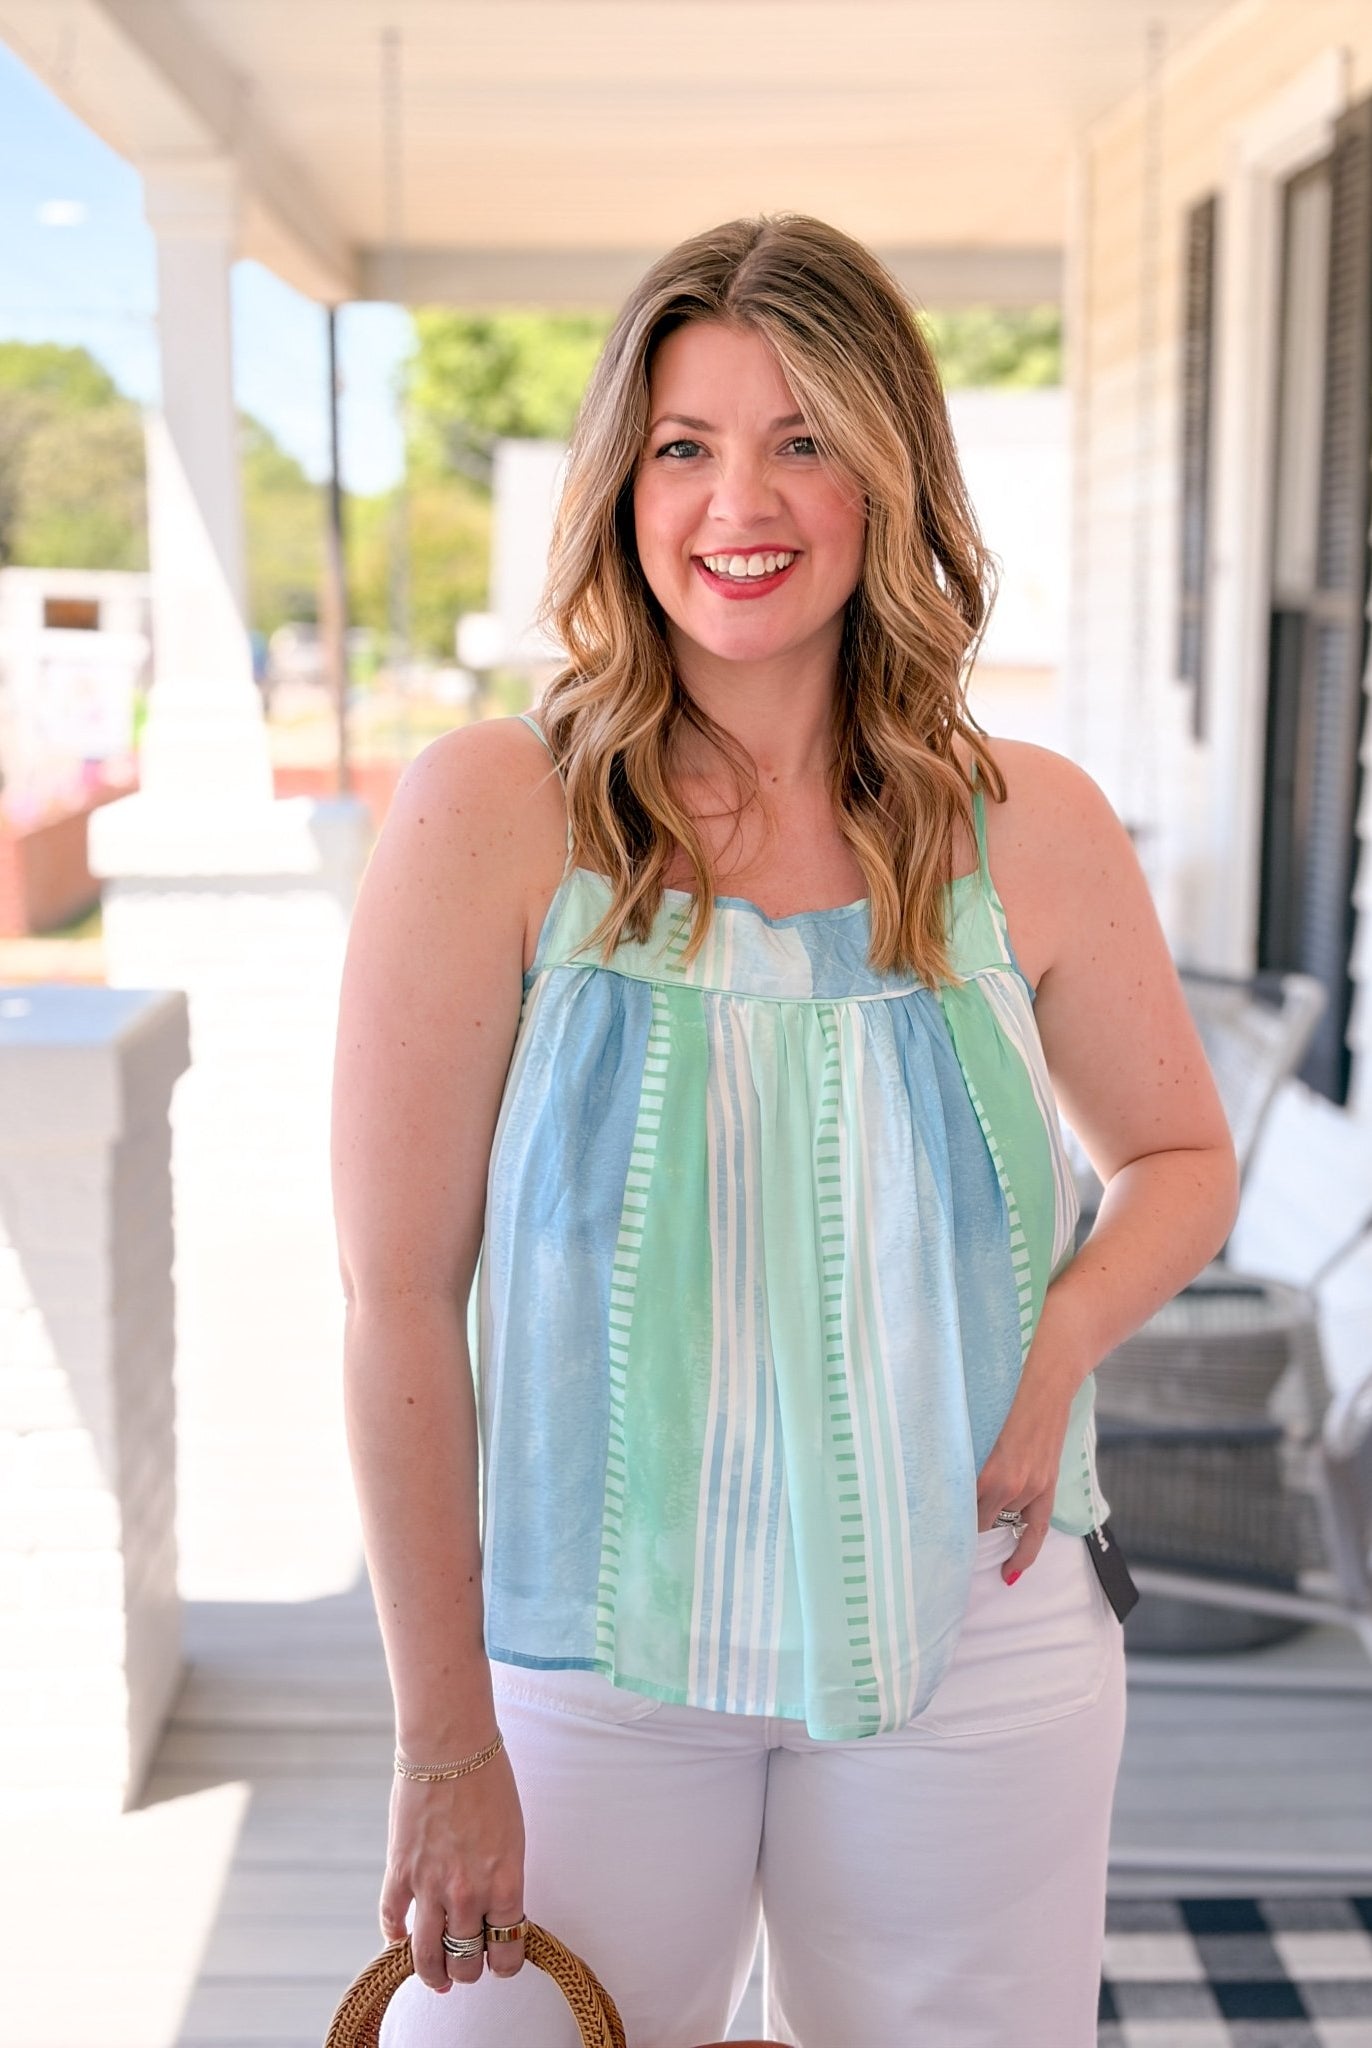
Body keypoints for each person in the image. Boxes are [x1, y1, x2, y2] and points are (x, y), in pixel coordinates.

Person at [330, 214, 1239, 2048]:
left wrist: (1057, 1351)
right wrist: (444, 1742)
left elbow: (1182, 1161)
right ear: (622, 484)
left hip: (974, 1626)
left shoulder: (1029, 826)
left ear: (888, 474)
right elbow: (396, 1301)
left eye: (801, 438)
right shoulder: (494, 815)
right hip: (587, 1643)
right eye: (685, 445)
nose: (737, 501)